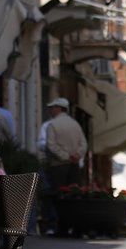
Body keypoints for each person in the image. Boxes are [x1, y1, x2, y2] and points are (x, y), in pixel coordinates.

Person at [36, 97, 88, 235]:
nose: (50, 110)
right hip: (74, 165)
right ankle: (74, 226)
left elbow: (50, 145)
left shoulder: (52, 125)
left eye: (52, 108)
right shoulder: (75, 124)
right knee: (73, 195)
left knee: (57, 196)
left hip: (58, 165)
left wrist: (65, 156)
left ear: (59, 108)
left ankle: (58, 227)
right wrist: (76, 155)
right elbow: (84, 144)